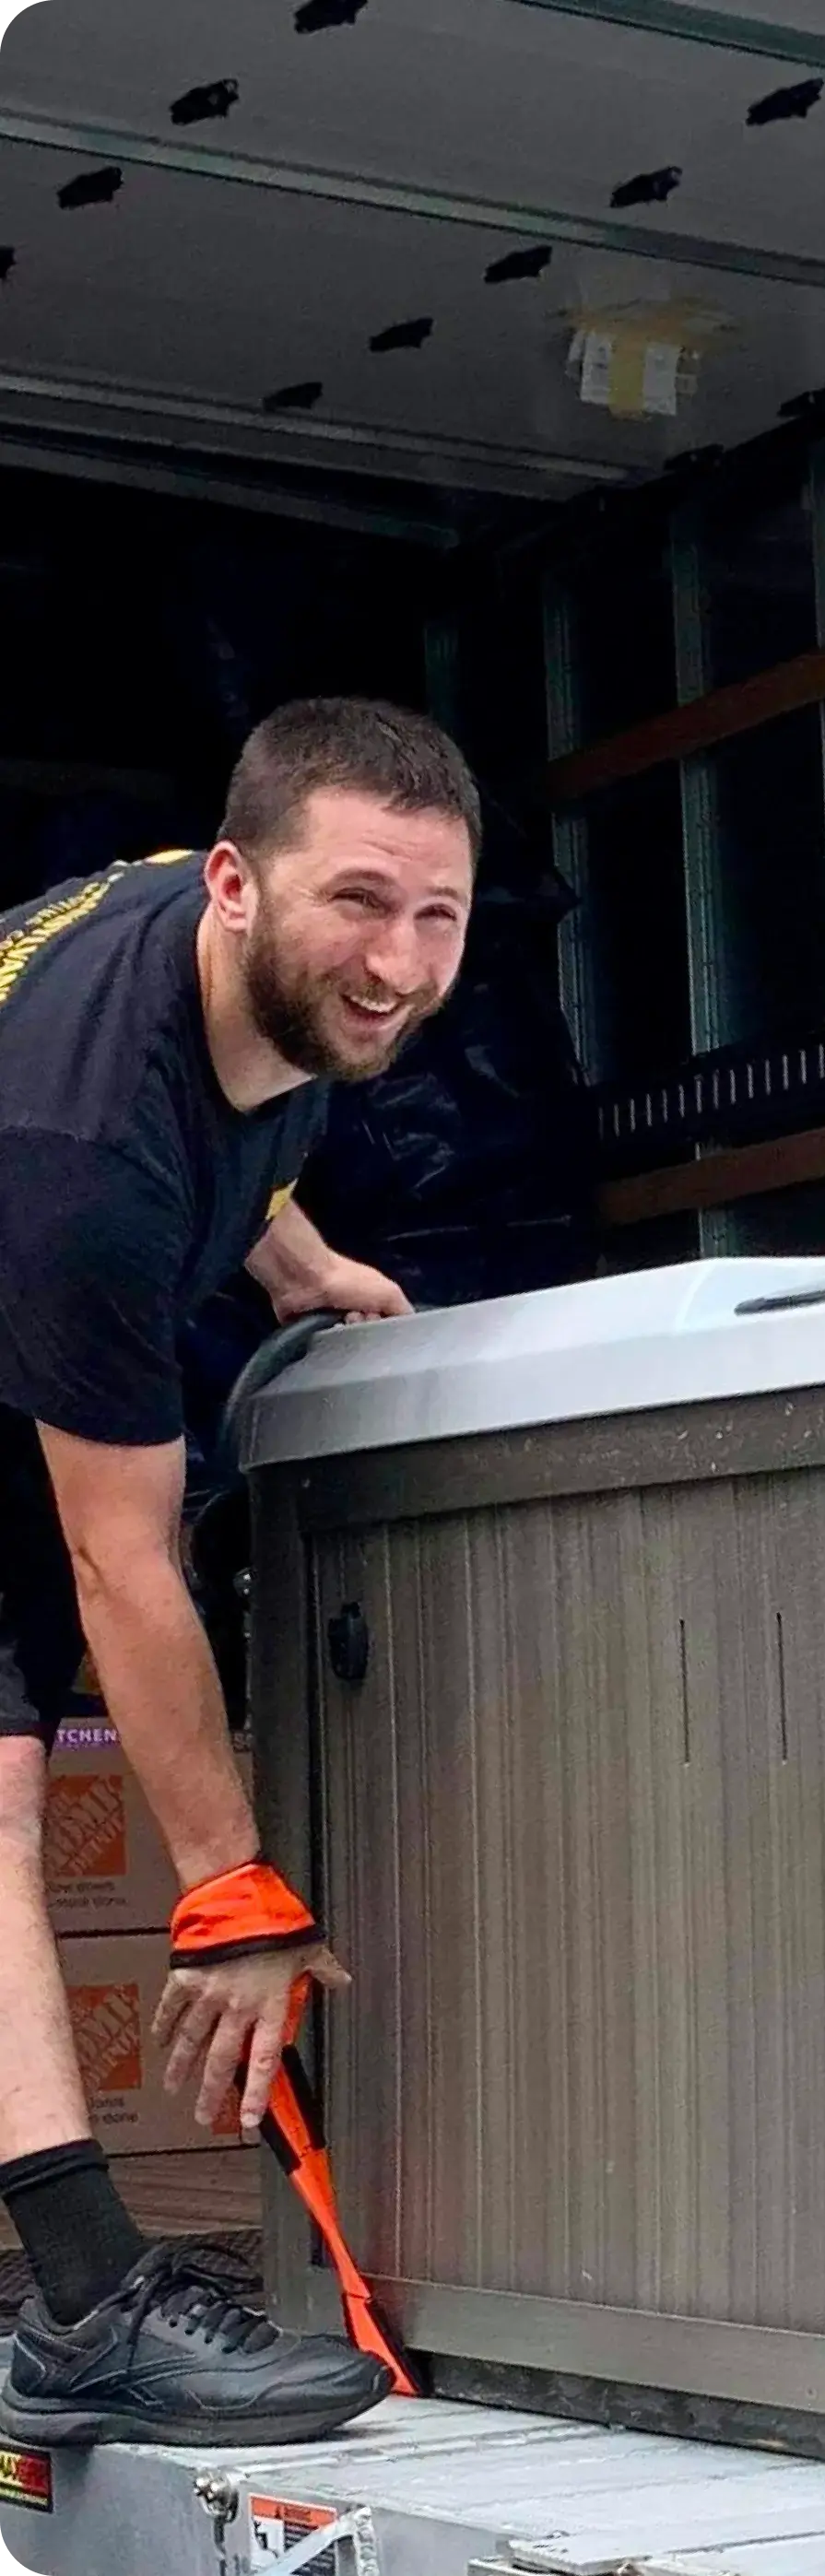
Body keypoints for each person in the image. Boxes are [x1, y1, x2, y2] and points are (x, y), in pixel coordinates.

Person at [0, 700, 476, 2445]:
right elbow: (127, 1568)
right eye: (359, 904)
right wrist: (231, 1894)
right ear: (231, 885)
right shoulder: (84, 1168)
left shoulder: (232, 972)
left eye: (437, 914)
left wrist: (294, 1256)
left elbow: (236, 1111)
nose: (398, 963)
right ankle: (79, 2310)